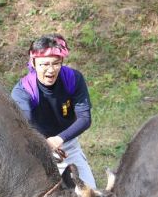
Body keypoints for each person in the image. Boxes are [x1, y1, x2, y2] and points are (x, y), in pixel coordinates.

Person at [11, 34, 96, 188]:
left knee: (90, 194)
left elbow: (85, 118)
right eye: (44, 64)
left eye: (56, 63)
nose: (51, 70)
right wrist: (46, 145)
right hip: (36, 150)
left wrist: (59, 139)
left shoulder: (73, 79)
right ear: (34, 63)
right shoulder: (23, 91)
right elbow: (25, 127)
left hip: (67, 144)